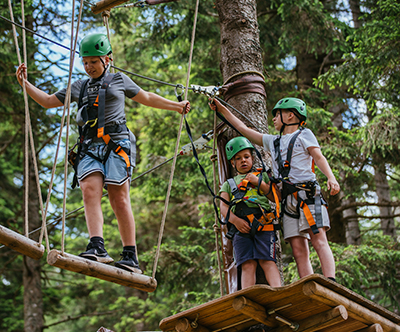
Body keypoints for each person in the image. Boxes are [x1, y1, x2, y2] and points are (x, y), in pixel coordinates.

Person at [16, 33, 190, 274]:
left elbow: (146, 97)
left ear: (107, 59)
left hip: (116, 143)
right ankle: (97, 245)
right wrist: (24, 83)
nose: (89, 67)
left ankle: (130, 254)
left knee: (118, 197)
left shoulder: (120, 80)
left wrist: (176, 106)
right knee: (89, 191)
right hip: (89, 146)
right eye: (85, 62)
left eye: (93, 62)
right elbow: (47, 101)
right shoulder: (79, 86)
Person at [210, 97, 340, 282]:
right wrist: (221, 109)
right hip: (287, 200)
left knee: (319, 240)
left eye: (276, 115)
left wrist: (331, 177)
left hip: (307, 194)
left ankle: (330, 279)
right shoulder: (273, 141)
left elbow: (318, 157)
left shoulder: (305, 135)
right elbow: (244, 130)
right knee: (298, 248)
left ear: (289, 115)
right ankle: (308, 283)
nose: (273, 119)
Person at [219, 136, 281, 288]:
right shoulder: (229, 184)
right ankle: (249, 296)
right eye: (238, 158)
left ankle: (279, 290)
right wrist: (235, 221)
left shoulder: (262, 176)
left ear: (253, 158)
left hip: (263, 223)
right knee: (247, 264)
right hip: (240, 228)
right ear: (232, 163)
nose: (243, 161)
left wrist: (258, 183)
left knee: (267, 260)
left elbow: (275, 197)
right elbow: (223, 207)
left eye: (246, 157)